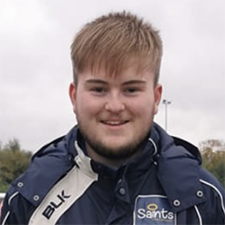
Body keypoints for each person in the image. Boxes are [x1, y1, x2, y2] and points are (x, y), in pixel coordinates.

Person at [0, 11, 225, 225]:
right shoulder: (28, 197)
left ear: (156, 98)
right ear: (73, 96)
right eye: (98, 89)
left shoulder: (204, 199)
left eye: (131, 90)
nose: (115, 106)